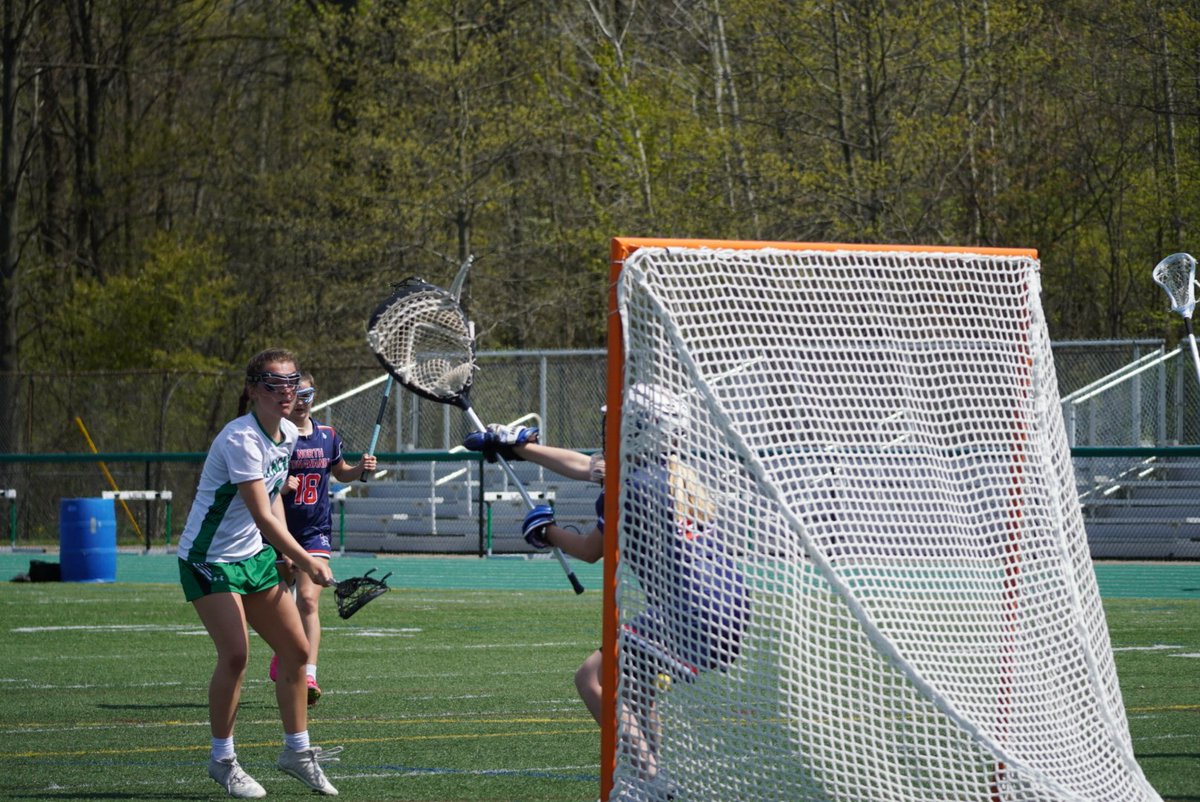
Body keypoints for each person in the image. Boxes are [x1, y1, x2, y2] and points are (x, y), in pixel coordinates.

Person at [464, 384, 748, 796]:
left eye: (616, 421)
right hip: (730, 607)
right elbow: (586, 466)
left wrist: (546, 531)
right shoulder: (675, 473)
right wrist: (517, 446)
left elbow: (588, 551)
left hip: (689, 614)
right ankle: (652, 772)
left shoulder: (628, 487)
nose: (607, 427)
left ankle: (655, 784)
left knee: (590, 678)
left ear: (638, 429)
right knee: (637, 684)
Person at [177, 348, 342, 798]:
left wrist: (284, 554)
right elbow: (262, 514)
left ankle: (296, 751)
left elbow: (273, 505)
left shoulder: (288, 433)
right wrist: (307, 559)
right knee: (236, 655)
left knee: (297, 650)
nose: (286, 392)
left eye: (292, 383)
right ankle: (223, 760)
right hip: (208, 559)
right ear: (253, 390)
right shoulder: (240, 440)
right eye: (274, 384)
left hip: (252, 557)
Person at [270, 372, 377, 705]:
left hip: (316, 531)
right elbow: (256, 481)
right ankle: (283, 652)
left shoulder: (327, 435)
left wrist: (359, 469)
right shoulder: (275, 437)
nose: (302, 401)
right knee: (277, 604)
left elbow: (340, 471)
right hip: (278, 529)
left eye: (308, 394)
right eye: (296, 394)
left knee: (309, 599)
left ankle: (309, 673)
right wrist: (279, 485)